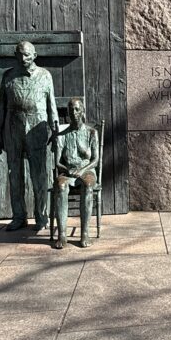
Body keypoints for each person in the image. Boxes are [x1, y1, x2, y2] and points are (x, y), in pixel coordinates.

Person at [0, 41, 58, 232]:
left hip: (37, 126)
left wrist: (55, 134)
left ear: (35, 56)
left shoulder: (45, 76)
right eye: (20, 55)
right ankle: (19, 216)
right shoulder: (8, 76)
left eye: (27, 55)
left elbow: (51, 106)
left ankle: (41, 216)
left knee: (39, 175)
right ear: (15, 55)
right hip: (13, 126)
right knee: (15, 174)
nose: (23, 59)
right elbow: (1, 107)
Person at [53, 97, 100, 249]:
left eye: (77, 109)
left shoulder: (92, 133)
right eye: (71, 110)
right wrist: (68, 170)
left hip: (87, 170)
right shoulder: (62, 135)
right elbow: (57, 162)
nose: (73, 112)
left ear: (82, 112)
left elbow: (96, 159)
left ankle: (84, 233)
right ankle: (62, 235)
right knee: (60, 186)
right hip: (67, 171)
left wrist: (82, 170)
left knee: (87, 185)